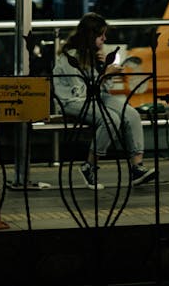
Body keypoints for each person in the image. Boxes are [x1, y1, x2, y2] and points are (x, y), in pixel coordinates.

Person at [52, 12, 156, 189]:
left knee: (130, 113)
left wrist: (104, 70)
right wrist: (104, 74)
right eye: (101, 36)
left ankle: (136, 167)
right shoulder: (69, 58)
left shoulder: (94, 54)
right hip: (72, 101)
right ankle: (89, 166)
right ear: (90, 36)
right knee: (110, 119)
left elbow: (102, 89)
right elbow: (81, 92)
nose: (104, 39)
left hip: (95, 97)